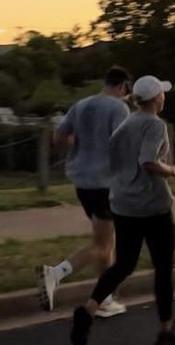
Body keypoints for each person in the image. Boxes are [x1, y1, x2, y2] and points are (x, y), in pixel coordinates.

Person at [70, 75, 175, 345]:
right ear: (156, 98)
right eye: (162, 93)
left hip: (123, 204)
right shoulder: (155, 125)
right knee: (163, 269)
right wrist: (173, 171)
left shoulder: (125, 124)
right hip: (152, 206)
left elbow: (114, 161)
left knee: (124, 263)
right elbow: (148, 161)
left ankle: (88, 310)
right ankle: (166, 330)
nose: (164, 97)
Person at [37, 67, 132, 317]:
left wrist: (80, 146)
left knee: (106, 243)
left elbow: (59, 137)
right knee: (102, 245)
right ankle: (56, 273)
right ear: (123, 87)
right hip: (105, 183)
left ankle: (105, 299)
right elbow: (122, 145)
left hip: (82, 181)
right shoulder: (119, 108)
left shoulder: (81, 105)